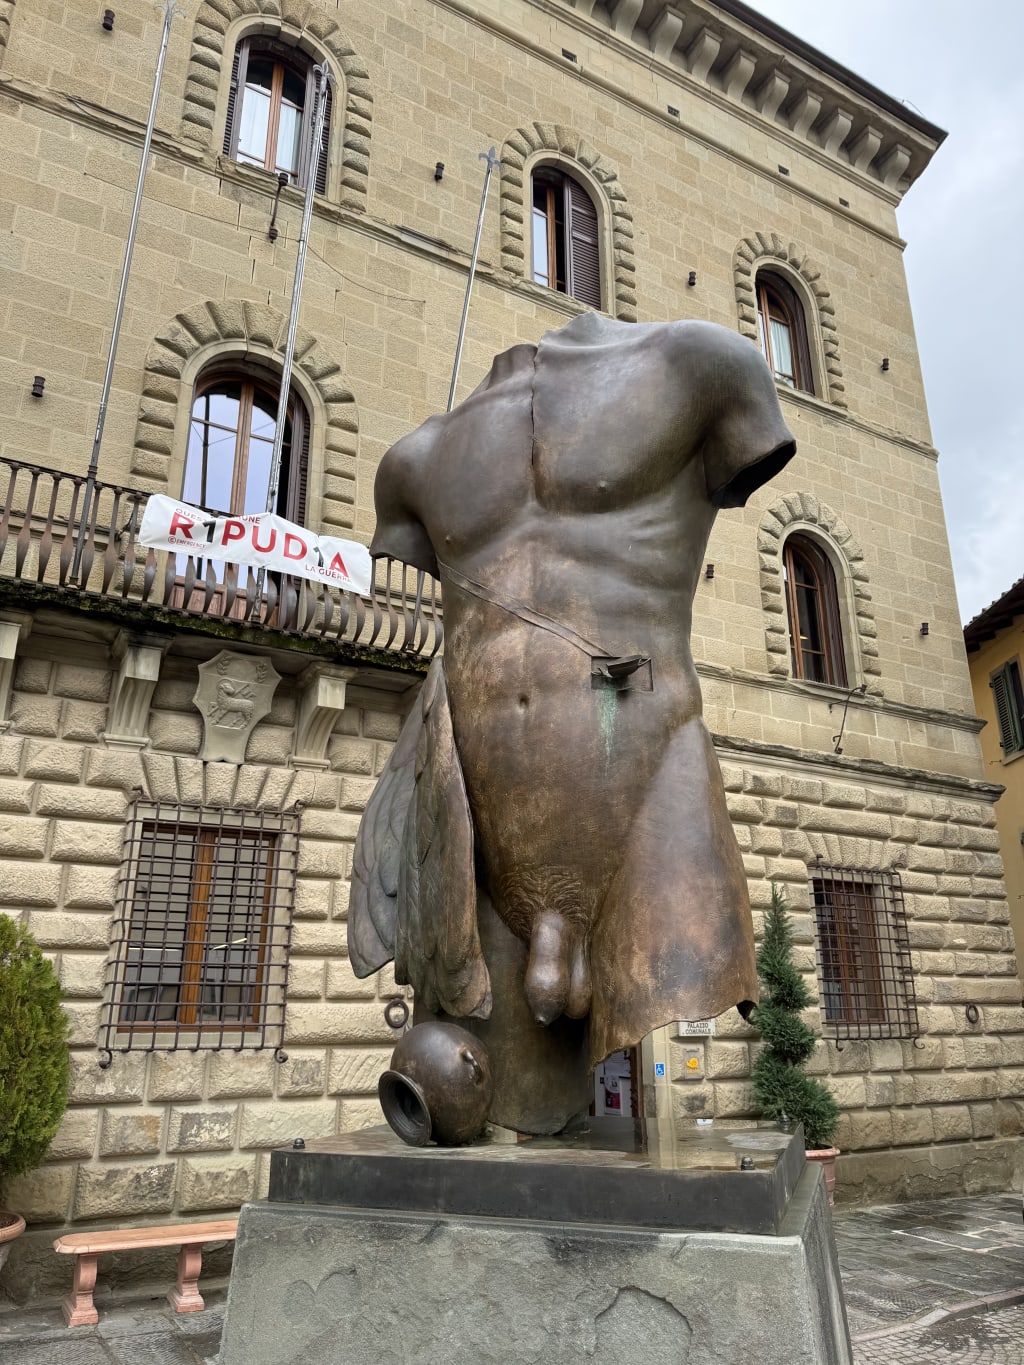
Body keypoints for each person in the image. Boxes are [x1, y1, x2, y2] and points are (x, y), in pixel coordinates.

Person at [350, 311, 796, 1133]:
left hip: (647, 773)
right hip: (476, 811)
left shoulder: (702, 367)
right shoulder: (413, 462)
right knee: (479, 1102)